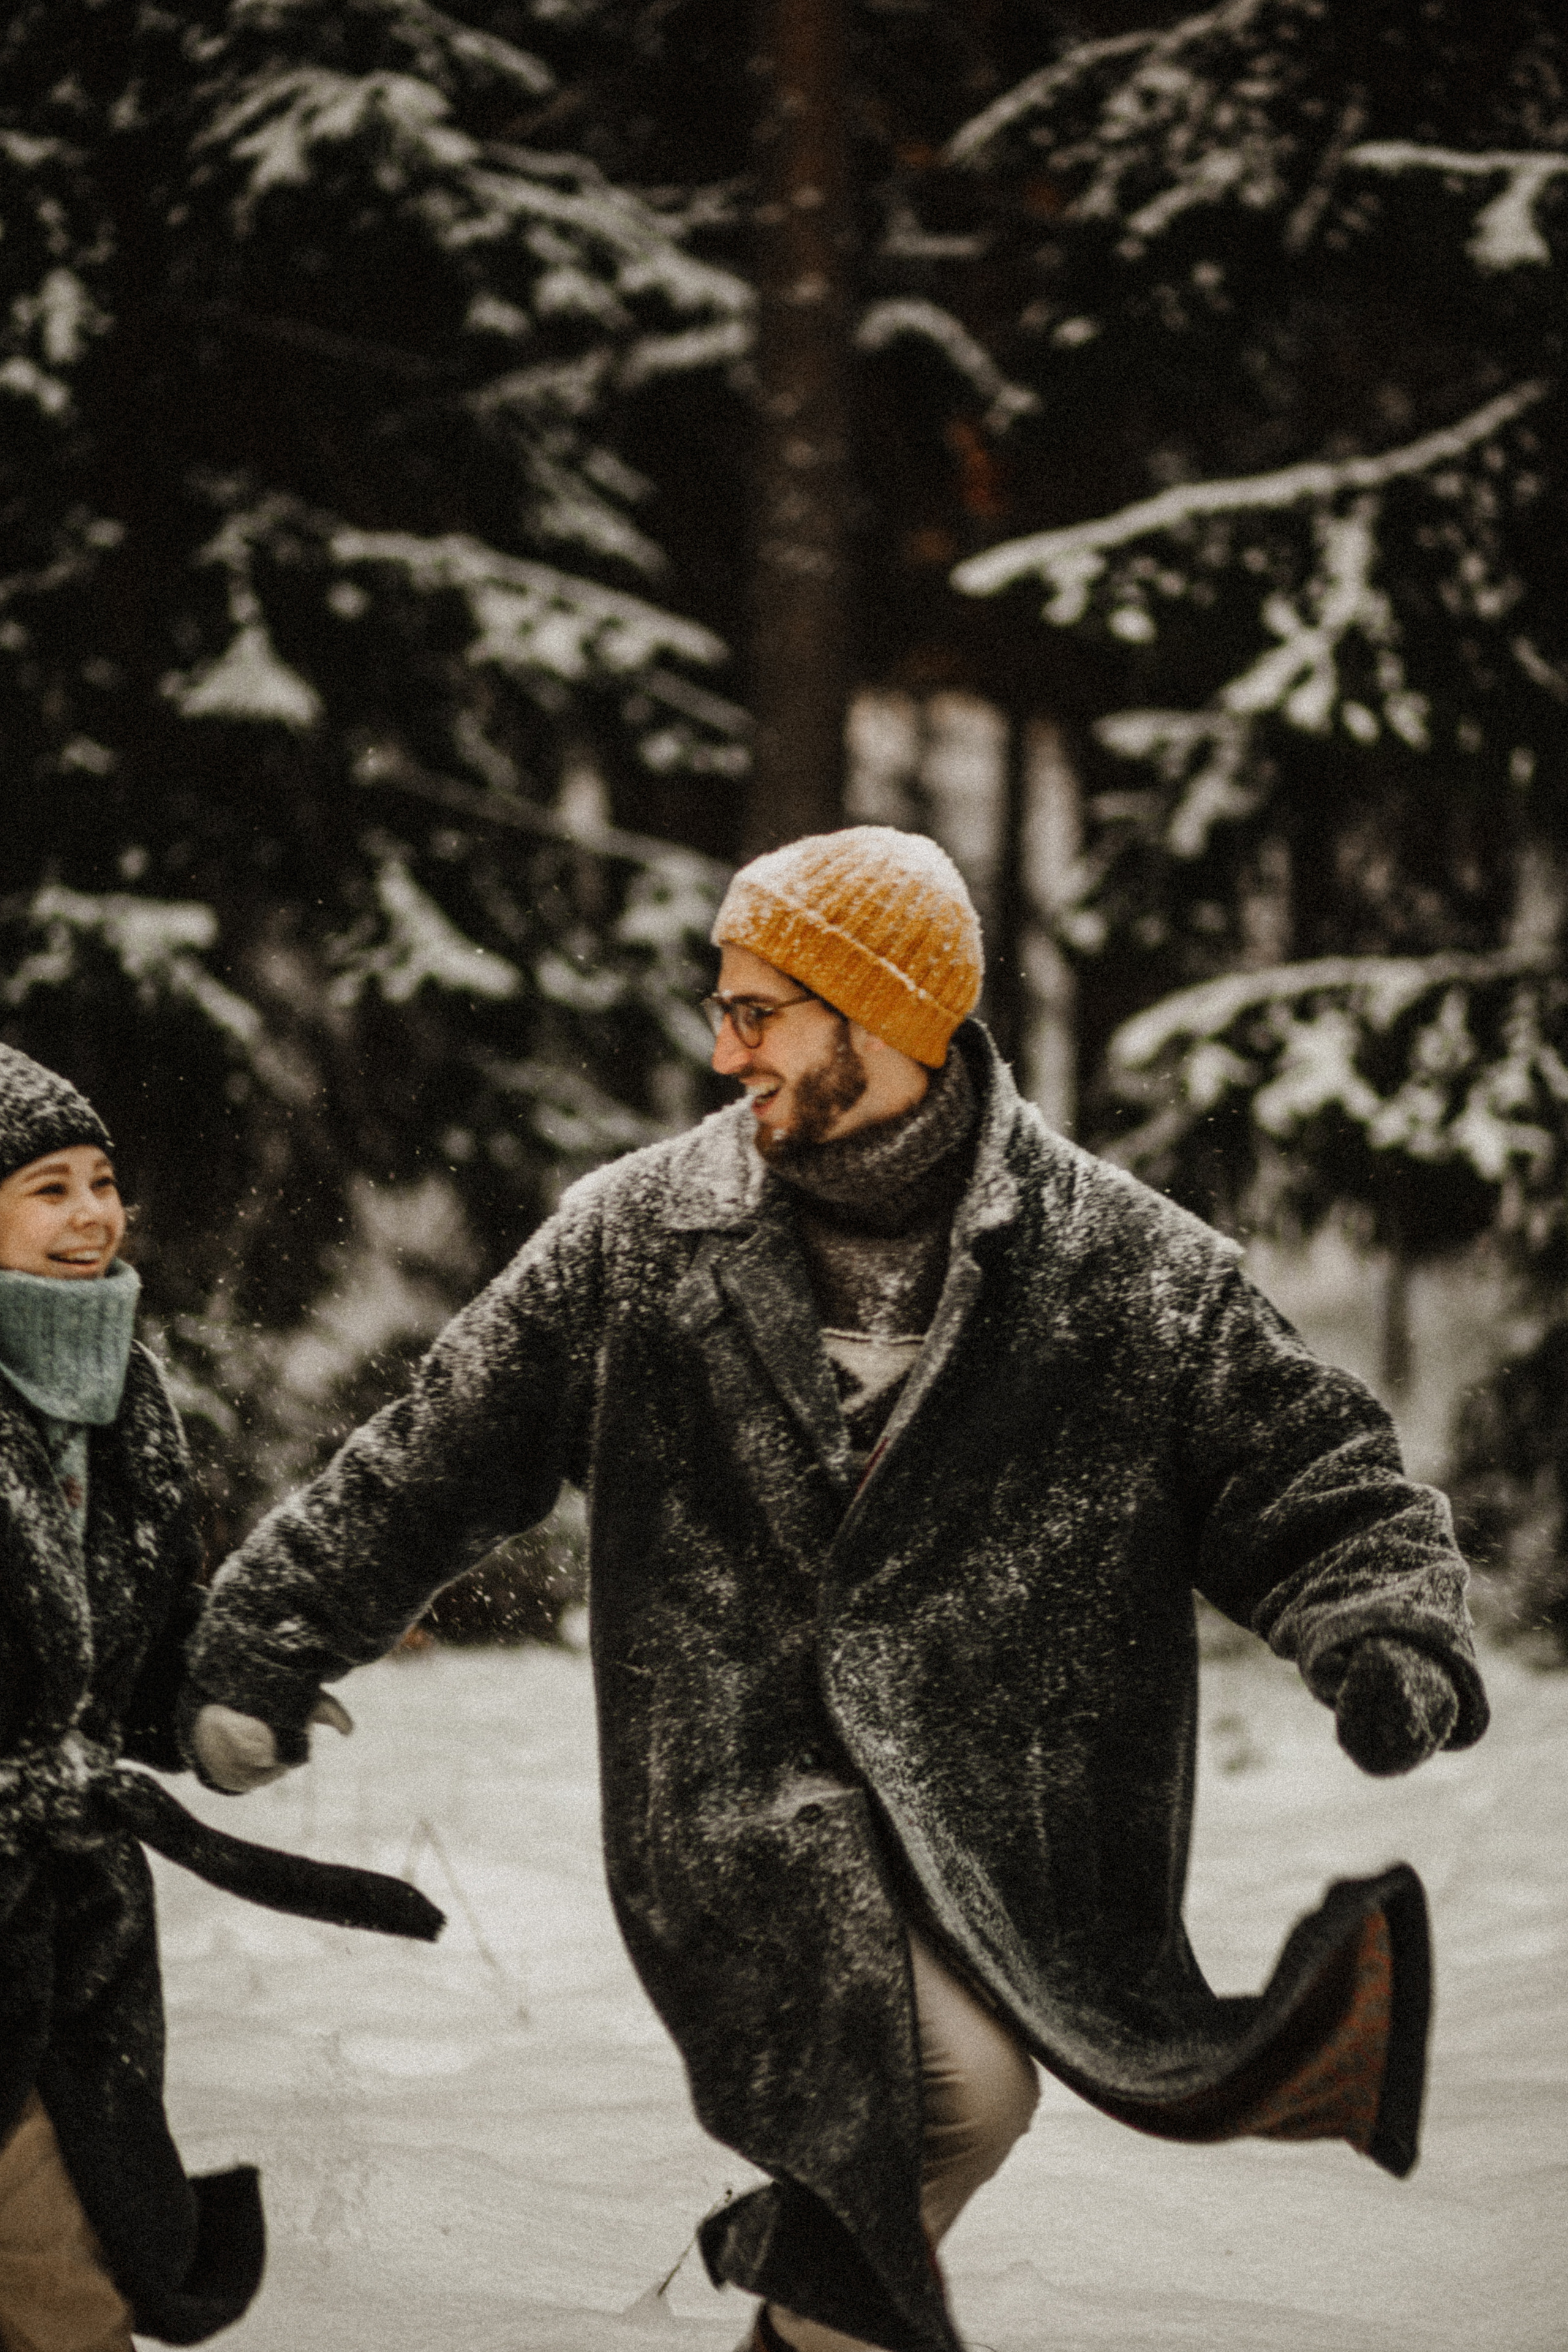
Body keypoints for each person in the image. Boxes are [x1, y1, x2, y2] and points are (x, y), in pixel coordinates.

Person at [183, 828, 1488, 2352]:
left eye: (757, 1010)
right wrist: (264, 1643)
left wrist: (1382, 1619)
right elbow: (435, 1451)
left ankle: (785, 2286)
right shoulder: (636, 1236)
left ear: (889, 1014)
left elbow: (1302, 1466)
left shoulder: (1124, 1269)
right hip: (734, 1799)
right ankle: (801, 2268)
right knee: (955, 2095)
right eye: (719, 1004)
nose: (719, 1045)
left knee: (950, 2120)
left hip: (1001, 1811)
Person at [0, 1045, 441, 2352]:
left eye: (102, 1183)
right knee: (57, 2267)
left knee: (81, 2235)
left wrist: (216, 1710)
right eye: (47, 1191)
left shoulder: (124, 1399)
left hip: (67, 1924)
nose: (93, 1216)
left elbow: (128, 1644)